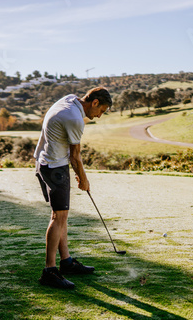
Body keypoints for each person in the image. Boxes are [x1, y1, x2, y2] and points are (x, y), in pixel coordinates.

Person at [34, 87, 112, 289]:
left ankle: (66, 262)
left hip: (50, 162)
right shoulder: (75, 119)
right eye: (101, 111)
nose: (99, 116)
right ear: (94, 102)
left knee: (62, 215)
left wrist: (77, 175)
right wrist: (83, 179)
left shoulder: (70, 100)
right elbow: (75, 156)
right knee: (58, 217)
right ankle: (49, 271)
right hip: (54, 166)